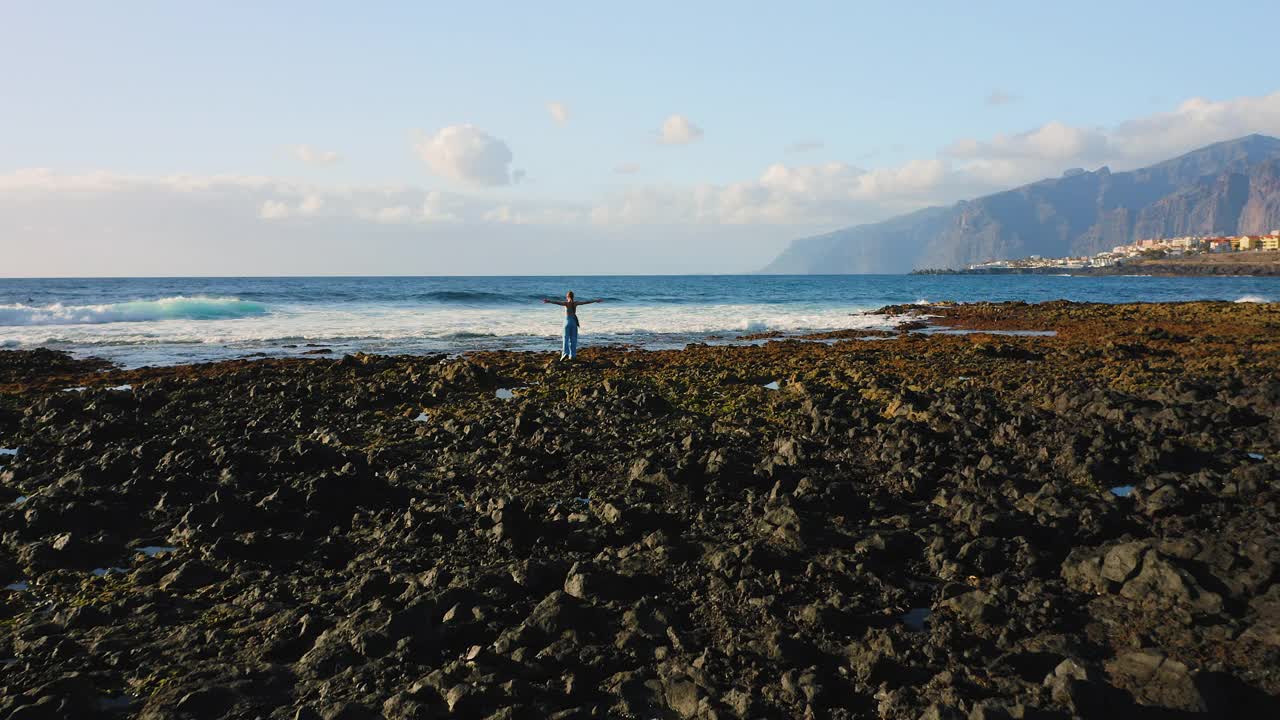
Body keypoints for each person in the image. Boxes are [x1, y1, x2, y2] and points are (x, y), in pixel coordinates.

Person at [542, 291, 603, 361]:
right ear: (573, 297)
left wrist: (548, 301)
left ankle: (565, 353)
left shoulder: (566, 303)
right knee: (573, 339)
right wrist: (595, 300)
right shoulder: (576, 303)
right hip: (574, 322)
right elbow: (586, 302)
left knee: (565, 338)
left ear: (567, 297)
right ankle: (572, 355)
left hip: (567, 322)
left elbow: (557, 302)